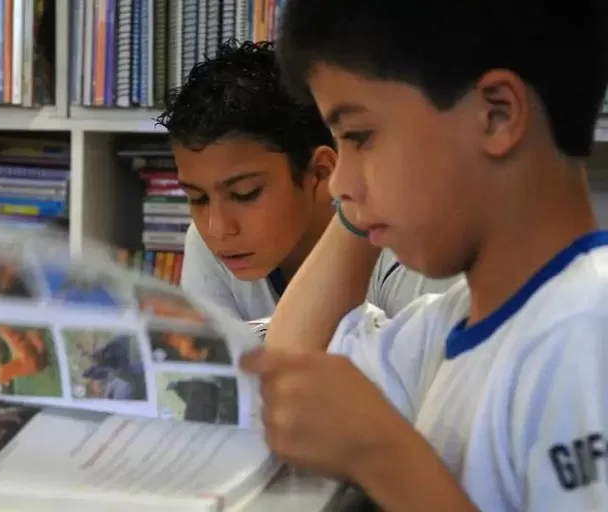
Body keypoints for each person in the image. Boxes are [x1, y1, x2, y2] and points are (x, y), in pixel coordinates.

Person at [242, 1, 608, 511]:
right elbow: (298, 374)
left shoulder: (587, 331)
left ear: (497, 115)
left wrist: (384, 456)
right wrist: (365, 203)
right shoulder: (452, 323)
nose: (338, 184)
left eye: (360, 137)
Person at [156, 40, 460, 322]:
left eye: (245, 193)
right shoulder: (206, 244)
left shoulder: (403, 245)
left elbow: (430, 361)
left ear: (322, 172)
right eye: (197, 198)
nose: (218, 228)